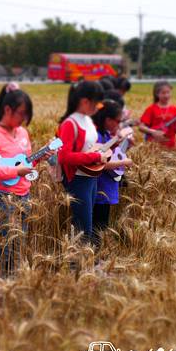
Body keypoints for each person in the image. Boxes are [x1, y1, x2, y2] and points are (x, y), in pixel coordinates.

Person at [0, 82, 53, 277]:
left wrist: (38, 159)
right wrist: (15, 172)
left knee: (18, 244)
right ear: (7, 109)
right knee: (3, 246)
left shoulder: (22, 133)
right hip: (1, 197)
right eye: (21, 113)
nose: (24, 119)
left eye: (26, 115)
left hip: (23, 196)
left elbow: (24, 165)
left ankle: (11, 281)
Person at [56, 81, 111, 246]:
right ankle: (76, 266)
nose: (98, 107)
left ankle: (84, 263)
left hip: (91, 176)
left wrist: (104, 150)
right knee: (83, 226)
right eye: (97, 103)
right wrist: (94, 157)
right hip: (78, 179)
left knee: (88, 222)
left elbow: (91, 147)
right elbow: (64, 157)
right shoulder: (69, 124)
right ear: (85, 101)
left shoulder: (88, 120)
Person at [91, 100, 133, 250]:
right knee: (98, 226)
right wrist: (124, 162)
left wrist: (118, 143)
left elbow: (109, 153)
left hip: (106, 189)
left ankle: (98, 256)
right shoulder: (97, 136)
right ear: (108, 119)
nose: (118, 124)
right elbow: (98, 163)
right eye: (117, 121)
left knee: (102, 225)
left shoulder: (106, 134)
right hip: (100, 189)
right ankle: (95, 257)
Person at [138, 80, 176, 149]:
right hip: (153, 147)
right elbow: (141, 127)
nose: (166, 95)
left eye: (168, 92)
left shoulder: (175, 110)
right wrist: (153, 132)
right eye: (163, 93)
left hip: (169, 146)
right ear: (157, 94)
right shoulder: (151, 109)